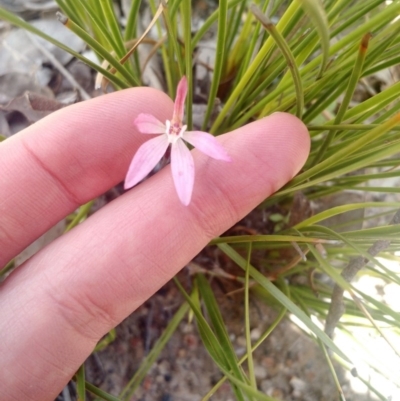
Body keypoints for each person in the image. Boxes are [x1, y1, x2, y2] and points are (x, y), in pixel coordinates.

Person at [0, 86, 310, 401]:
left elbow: (207, 152)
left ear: (182, 124)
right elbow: (141, 150)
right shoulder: (157, 132)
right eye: (173, 125)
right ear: (166, 124)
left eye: (178, 125)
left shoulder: (192, 141)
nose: (175, 128)